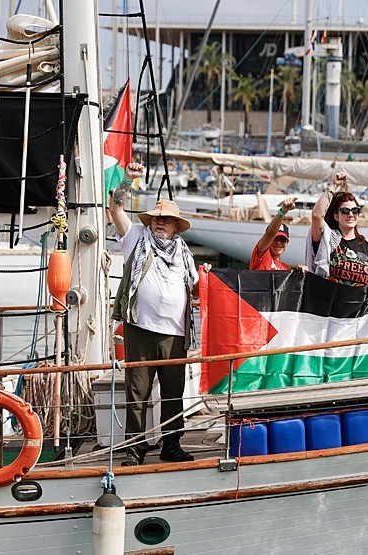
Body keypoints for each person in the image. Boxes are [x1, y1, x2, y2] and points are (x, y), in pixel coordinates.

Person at [109, 161, 211, 466]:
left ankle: (171, 445)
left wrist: (208, 281)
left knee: (172, 393)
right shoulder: (135, 239)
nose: (160, 223)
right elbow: (114, 209)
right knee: (137, 393)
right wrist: (128, 179)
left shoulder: (183, 252)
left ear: (175, 226)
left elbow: (195, 289)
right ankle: (134, 449)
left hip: (176, 333)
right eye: (156, 218)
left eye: (166, 220)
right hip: (139, 328)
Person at [308, 172, 368, 287]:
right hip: (330, 303)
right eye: (345, 211)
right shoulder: (328, 239)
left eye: (355, 211)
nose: (351, 214)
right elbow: (316, 215)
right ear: (336, 216)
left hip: (359, 305)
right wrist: (333, 185)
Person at [250, 196, 298, 271]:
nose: (278, 242)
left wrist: (302, 273)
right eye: (275, 239)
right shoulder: (261, 256)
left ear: (286, 243)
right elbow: (270, 233)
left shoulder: (286, 268)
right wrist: (283, 211)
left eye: (282, 239)